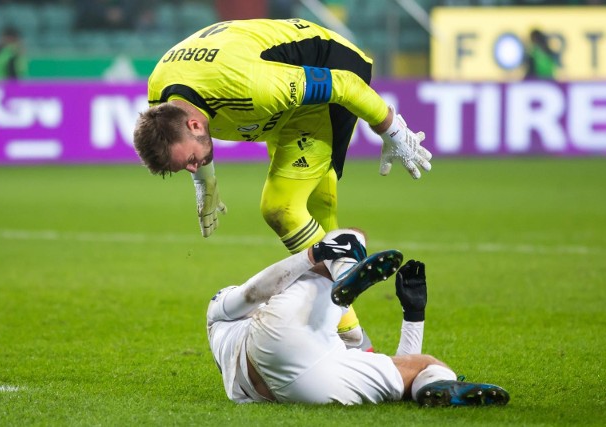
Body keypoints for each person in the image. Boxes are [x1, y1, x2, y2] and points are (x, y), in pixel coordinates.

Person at [133, 18, 432, 350]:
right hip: (279, 105)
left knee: (282, 206)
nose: (192, 167)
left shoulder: (253, 87)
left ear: (193, 124)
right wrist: (206, 183)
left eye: (190, 161)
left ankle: (350, 333)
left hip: (326, 63)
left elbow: (345, 84)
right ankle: (350, 335)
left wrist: (391, 130)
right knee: (319, 216)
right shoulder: (161, 100)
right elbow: (187, 135)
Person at [206, 228, 510, 405]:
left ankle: (439, 388)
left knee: (419, 369)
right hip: (300, 374)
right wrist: (314, 254)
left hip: (295, 379)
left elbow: (392, 366)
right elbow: (251, 293)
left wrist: (413, 314)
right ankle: (346, 270)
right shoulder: (217, 313)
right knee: (349, 237)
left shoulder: (220, 327)